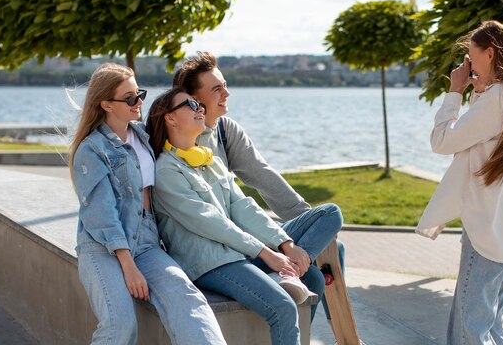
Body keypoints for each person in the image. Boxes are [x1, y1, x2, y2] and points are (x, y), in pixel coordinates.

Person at [146, 87, 343, 345]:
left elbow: (243, 207)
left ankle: (286, 274)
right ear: (169, 118)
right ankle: (283, 277)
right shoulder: (166, 170)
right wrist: (266, 252)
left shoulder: (211, 162)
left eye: (199, 104)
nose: (200, 108)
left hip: (241, 251)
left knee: (328, 220)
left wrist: (286, 245)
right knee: (283, 305)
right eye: (191, 105)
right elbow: (211, 224)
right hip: (211, 262)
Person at [171, 51, 346, 320]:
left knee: (333, 240)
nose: (226, 94)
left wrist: (305, 221)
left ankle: (335, 324)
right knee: (313, 276)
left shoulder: (225, 131)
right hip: (222, 248)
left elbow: (263, 176)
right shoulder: (178, 144)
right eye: (217, 89)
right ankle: (294, 280)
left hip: (251, 233)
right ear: (194, 100)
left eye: (225, 85)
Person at [68, 63, 226, 345]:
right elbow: (102, 215)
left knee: (188, 299)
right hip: (103, 246)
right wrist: (129, 267)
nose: (138, 101)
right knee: (120, 324)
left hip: (147, 242)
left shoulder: (142, 135)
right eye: (129, 98)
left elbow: (182, 132)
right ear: (106, 104)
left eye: (139, 93)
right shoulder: (92, 149)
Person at [416, 21, 503, 345]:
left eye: (472, 58)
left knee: (469, 332)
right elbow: (481, 145)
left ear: (491, 53)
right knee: (493, 328)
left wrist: (455, 92)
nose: (468, 67)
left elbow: (442, 141)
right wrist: (479, 91)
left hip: (485, 229)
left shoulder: (498, 99)